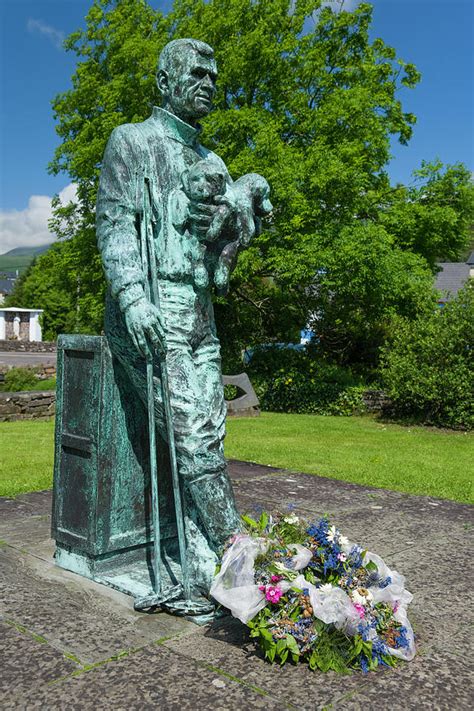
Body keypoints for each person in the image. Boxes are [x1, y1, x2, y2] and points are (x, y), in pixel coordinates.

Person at [96, 38, 268, 599]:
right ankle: (238, 555)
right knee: (192, 430)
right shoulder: (133, 141)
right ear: (166, 82)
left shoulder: (211, 161)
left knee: (212, 430)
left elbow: (220, 253)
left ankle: (197, 551)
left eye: (214, 75)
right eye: (196, 73)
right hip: (151, 308)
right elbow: (115, 224)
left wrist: (242, 216)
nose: (209, 83)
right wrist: (132, 297)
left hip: (199, 309)